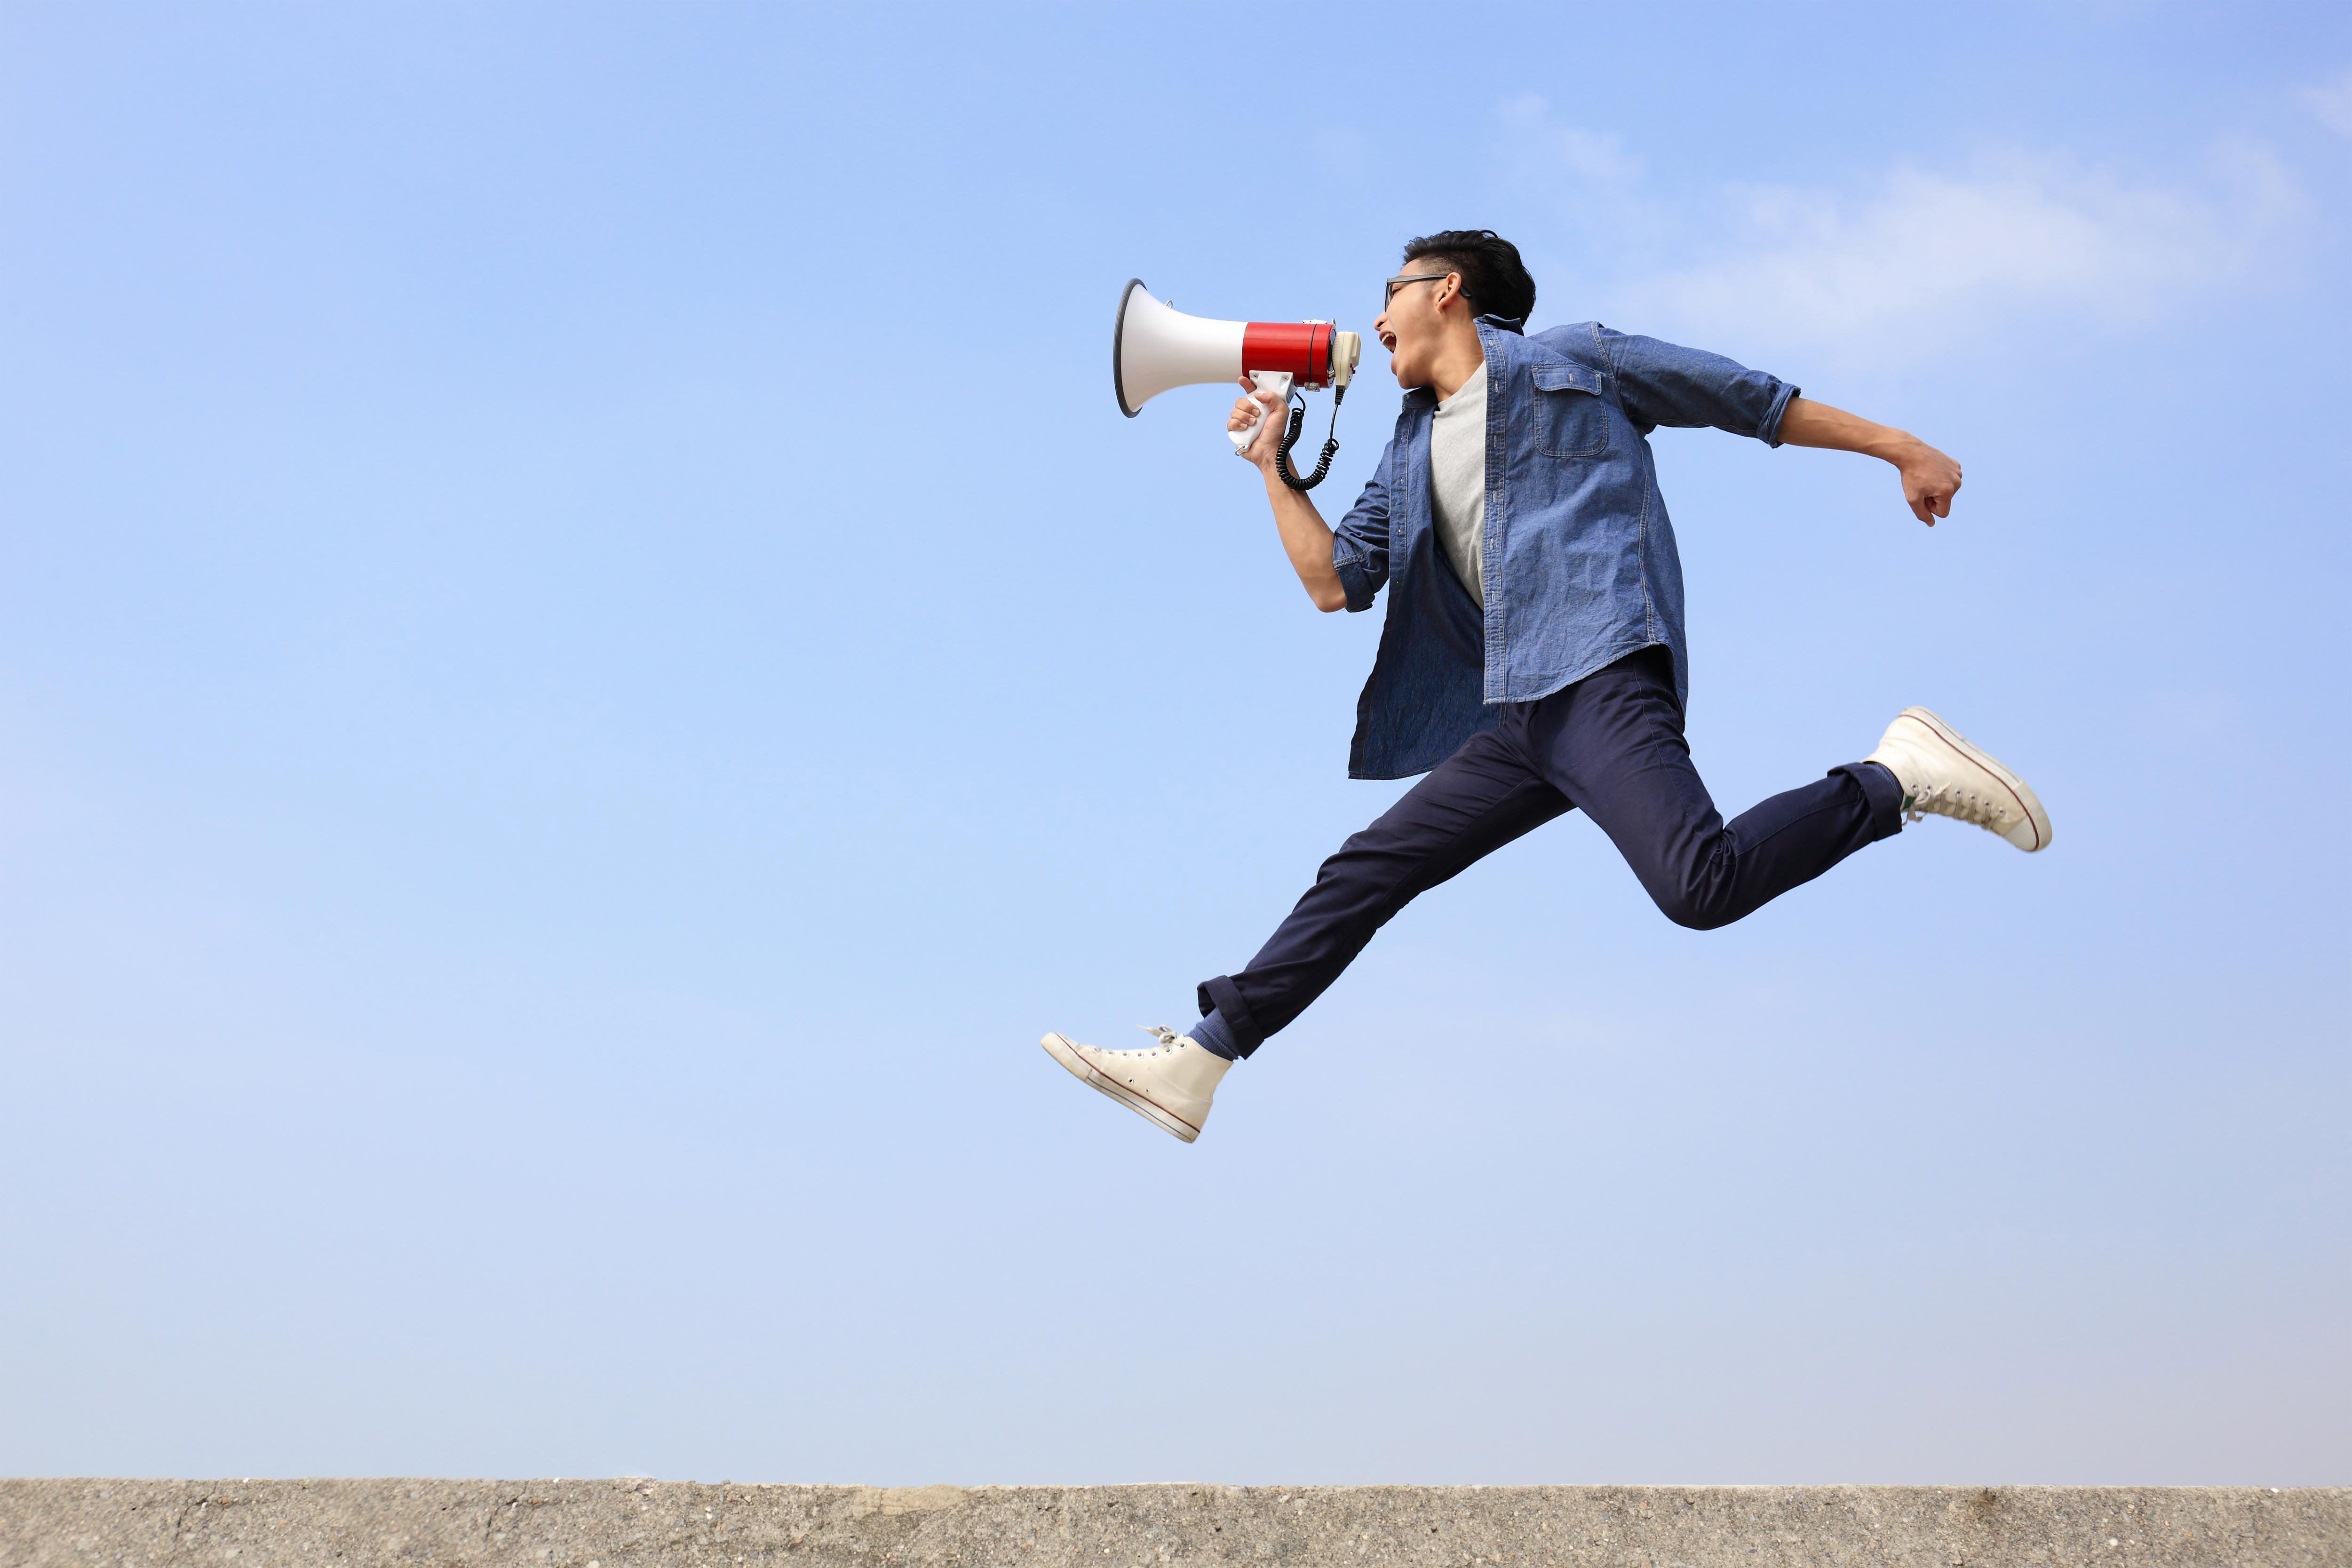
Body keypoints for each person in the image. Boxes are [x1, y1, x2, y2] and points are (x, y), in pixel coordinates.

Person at [1043, 229, 2049, 1144]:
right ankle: (1204, 1057)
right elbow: (1330, 582)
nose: (1375, 315)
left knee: (1701, 887)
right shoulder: (1405, 445)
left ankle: (1894, 776)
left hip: (1600, 662)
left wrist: (1902, 447)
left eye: (1389, 291)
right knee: (1367, 867)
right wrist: (1273, 467)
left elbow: (1753, 400)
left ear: (1446, 294)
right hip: (1521, 710)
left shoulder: (1579, 357)